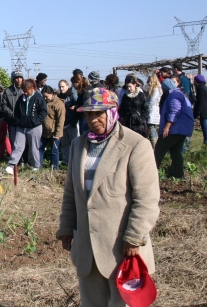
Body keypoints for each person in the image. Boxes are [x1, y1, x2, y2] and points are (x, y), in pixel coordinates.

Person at [57, 87, 160, 307]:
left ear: (113, 111)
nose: (93, 119)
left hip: (121, 247)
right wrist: (66, 226)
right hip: (88, 247)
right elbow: (71, 192)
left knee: (122, 304)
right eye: (88, 114)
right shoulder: (79, 144)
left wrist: (134, 236)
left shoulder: (136, 145)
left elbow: (147, 199)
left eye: (99, 113)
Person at [4, 79, 47, 173]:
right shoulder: (21, 98)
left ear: (32, 88)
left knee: (34, 147)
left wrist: (35, 121)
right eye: (24, 91)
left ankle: (36, 166)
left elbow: (43, 112)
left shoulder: (39, 98)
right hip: (21, 127)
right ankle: (11, 165)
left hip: (34, 127)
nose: (25, 93)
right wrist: (18, 121)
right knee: (17, 145)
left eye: (27, 91)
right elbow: (16, 112)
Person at [153, 79, 194, 179]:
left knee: (159, 150)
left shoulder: (174, 96)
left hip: (175, 129)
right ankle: (177, 175)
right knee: (176, 152)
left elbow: (174, 111)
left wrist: (167, 127)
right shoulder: (179, 94)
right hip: (182, 129)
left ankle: (150, 173)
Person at [0, 70, 24, 161]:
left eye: (20, 77)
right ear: (13, 79)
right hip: (12, 121)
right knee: (13, 141)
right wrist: (12, 115)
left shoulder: (25, 90)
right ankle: (16, 160)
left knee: (24, 142)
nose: (19, 80)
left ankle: (23, 160)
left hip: (23, 121)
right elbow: (3, 105)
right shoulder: (7, 91)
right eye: (16, 78)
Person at [39, 85, 65, 170]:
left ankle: (54, 168)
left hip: (54, 132)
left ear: (52, 94)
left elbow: (61, 120)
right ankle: (39, 166)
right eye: (43, 97)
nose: (45, 98)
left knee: (54, 151)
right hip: (43, 131)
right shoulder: (43, 102)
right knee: (40, 149)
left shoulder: (59, 104)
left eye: (46, 96)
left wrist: (58, 133)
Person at [58, 80, 78, 166]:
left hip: (72, 122)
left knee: (74, 142)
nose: (61, 88)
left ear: (67, 86)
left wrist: (75, 107)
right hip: (63, 123)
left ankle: (75, 160)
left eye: (63, 86)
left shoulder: (72, 95)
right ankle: (65, 160)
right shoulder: (59, 96)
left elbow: (78, 105)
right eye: (60, 87)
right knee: (64, 143)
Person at [192, 74, 207, 146]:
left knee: (204, 126)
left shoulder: (200, 89)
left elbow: (200, 102)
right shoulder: (204, 87)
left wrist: (198, 113)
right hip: (206, 109)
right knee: (205, 126)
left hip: (202, 111)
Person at [146, 74, 162, 148]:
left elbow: (152, 101)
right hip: (153, 109)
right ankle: (155, 144)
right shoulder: (156, 88)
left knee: (151, 127)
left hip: (153, 110)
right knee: (152, 128)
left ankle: (154, 145)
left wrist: (147, 107)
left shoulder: (156, 89)